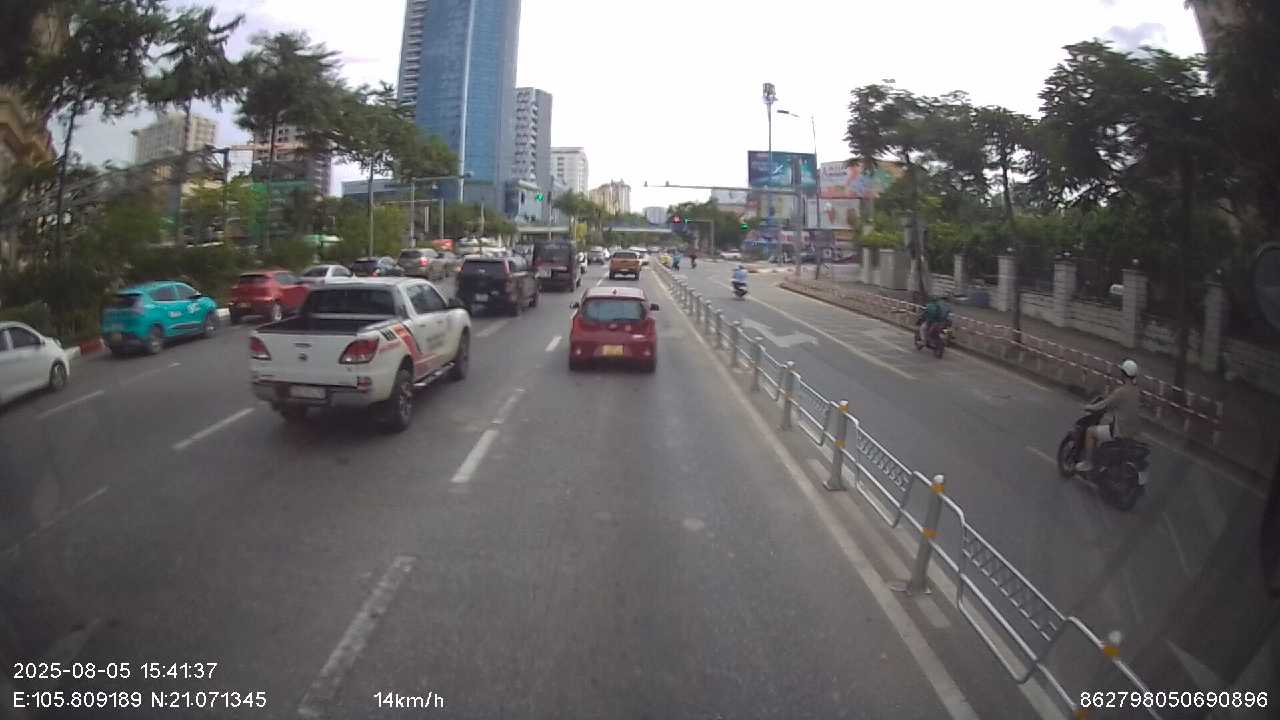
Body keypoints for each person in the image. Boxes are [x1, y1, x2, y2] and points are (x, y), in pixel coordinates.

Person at [1075, 359, 1142, 472]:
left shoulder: (1121, 391)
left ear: (1123, 374)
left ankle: (1088, 463)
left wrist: (1089, 407)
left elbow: (1104, 404)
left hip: (1120, 431)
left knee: (1090, 431)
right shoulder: (1136, 391)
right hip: (1133, 432)